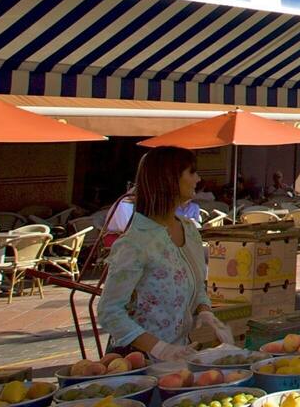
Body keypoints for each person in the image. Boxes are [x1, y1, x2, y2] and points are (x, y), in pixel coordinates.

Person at [97, 147, 234, 361]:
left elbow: (198, 284)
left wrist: (205, 311)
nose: (198, 178)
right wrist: (159, 348)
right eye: (191, 172)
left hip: (181, 357)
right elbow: (110, 311)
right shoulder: (135, 244)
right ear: (169, 179)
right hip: (139, 362)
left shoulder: (189, 230)